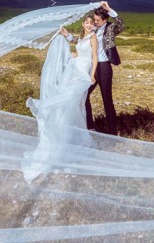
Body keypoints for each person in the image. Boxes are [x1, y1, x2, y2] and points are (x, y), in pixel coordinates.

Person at [21, 16, 98, 182]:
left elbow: (94, 57)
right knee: (72, 104)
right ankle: (68, 135)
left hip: (84, 70)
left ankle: (73, 136)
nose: (89, 25)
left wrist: (92, 75)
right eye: (87, 22)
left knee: (73, 102)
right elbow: (77, 47)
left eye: (91, 23)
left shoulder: (93, 37)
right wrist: (65, 37)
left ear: (93, 25)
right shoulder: (83, 36)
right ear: (83, 24)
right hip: (75, 68)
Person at [64, 1, 124, 135]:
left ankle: (113, 132)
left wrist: (109, 9)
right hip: (92, 67)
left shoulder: (110, 28)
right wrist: (66, 35)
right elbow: (79, 40)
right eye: (94, 20)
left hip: (104, 68)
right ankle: (90, 126)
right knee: (84, 96)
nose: (94, 22)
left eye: (97, 20)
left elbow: (121, 24)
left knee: (106, 99)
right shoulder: (92, 29)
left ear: (104, 20)